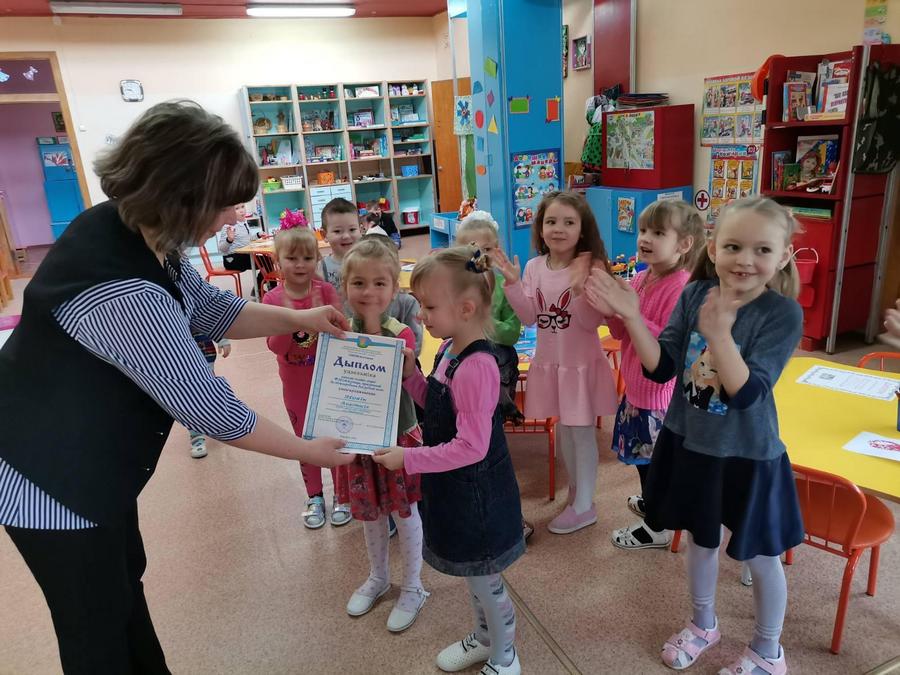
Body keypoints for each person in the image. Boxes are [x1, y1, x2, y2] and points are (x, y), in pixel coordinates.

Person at [0, 100, 352, 674]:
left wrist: (298, 317)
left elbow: (209, 309)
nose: (233, 216)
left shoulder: (134, 230)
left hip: (88, 460)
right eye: (224, 203)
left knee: (123, 589)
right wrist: (308, 450)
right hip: (48, 478)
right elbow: (211, 410)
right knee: (94, 627)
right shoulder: (125, 294)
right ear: (179, 195)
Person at [586, 196, 804, 675]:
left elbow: (747, 394)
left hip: (749, 455)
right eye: (733, 246)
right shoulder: (694, 293)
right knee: (701, 542)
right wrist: (631, 315)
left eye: (762, 250)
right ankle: (703, 624)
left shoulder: (782, 313)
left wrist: (720, 336)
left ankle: (769, 650)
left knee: (761, 556)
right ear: (713, 246)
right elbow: (662, 366)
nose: (745, 260)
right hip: (691, 443)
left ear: (783, 255)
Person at [374, 246, 525, 675]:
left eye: (429, 306)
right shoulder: (448, 351)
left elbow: (472, 447)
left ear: (466, 308)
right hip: (457, 489)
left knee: (486, 581)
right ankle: (484, 639)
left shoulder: (477, 366)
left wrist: (409, 458)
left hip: (479, 498)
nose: (422, 316)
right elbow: (437, 405)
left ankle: (505, 657)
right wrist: (411, 376)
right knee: (474, 578)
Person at [493, 191, 618, 535]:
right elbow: (530, 317)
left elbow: (591, 322)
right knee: (565, 431)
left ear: (582, 229)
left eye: (568, 222)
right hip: (551, 364)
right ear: (540, 228)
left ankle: (585, 506)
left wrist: (579, 290)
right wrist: (513, 285)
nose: (558, 228)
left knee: (581, 433)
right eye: (551, 221)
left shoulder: (591, 267)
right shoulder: (535, 267)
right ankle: (578, 490)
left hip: (580, 367)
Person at [585, 200, 704, 550]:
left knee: (654, 465)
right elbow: (621, 334)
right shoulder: (641, 277)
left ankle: (656, 527)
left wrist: (632, 313)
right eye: (642, 230)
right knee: (643, 463)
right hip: (636, 390)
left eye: (658, 232)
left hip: (657, 398)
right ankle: (654, 501)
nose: (645, 238)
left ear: (684, 244)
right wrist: (611, 312)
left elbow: (668, 347)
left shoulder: (681, 287)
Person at [335, 237, 428, 632]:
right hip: (357, 440)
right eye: (358, 283)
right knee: (370, 513)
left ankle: (414, 585)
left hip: (396, 440)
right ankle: (378, 577)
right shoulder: (337, 330)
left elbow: (395, 372)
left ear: (394, 290)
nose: (369, 292)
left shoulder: (402, 332)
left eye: (379, 283)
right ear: (344, 287)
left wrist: (370, 323)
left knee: (404, 513)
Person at [453, 210, 535, 542]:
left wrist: (481, 324)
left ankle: (508, 518)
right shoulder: (454, 286)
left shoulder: (504, 285)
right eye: (471, 249)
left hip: (497, 367)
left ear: (497, 249)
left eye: (487, 249)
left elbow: (512, 333)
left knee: (491, 447)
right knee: (467, 445)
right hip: (464, 370)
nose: (479, 256)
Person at [262, 225, 351, 529]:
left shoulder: (325, 291)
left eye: (307, 258)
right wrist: (294, 319)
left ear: (317, 259)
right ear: (278, 261)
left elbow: (342, 333)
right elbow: (276, 347)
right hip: (296, 384)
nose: (300, 265)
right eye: (292, 258)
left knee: (335, 437)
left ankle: (341, 494)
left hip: (329, 381)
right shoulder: (272, 298)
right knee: (305, 441)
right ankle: (314, 496)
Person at [187, 332, 231, 458]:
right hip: (180, 358)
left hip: (204, 353)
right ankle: (196, 437)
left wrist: (222, 339)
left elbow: (210, 321)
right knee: (190, 398)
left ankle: (220, 422)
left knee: (210, 392)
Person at [217, 202, 253, 271]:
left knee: (267, 260)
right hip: (231, 260)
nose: (241, 210)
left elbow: (248, 240)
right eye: (237, 208)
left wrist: (258, 235)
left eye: (243, 206)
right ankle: (260, 278)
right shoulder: (228, 226)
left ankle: (260, 278)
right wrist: (229, 240)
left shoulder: (244, 223)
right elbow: (221, 249)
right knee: (265, 261)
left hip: (244, 256)